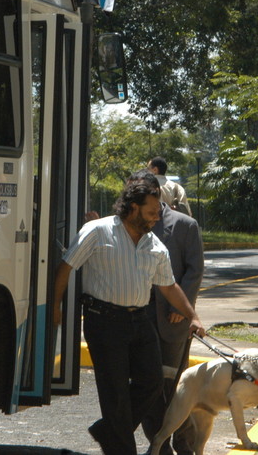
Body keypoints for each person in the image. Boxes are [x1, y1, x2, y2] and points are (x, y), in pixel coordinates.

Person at [53, 172, 206, 455]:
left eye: (157, 213)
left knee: (152, 382)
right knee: (115, 393)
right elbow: (66, 266)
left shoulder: (154, 245)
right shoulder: (98, 231)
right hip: (104, 321)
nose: (156, 219)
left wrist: (192, 316)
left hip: (140, 320)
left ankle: (108, 431)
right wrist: (55, 306)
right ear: (132, 208)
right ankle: (121, 448)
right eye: (150, 213)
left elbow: (169, 286)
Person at [137, 170, 205, 455]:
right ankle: (159, 447)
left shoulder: (184, 225)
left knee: (173, 388)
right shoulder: (129, 225)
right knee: (148, 388)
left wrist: (183, 307)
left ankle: (185, 444)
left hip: (172, 320)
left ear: (157, 194)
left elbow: (194, 271)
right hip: (138, 317)